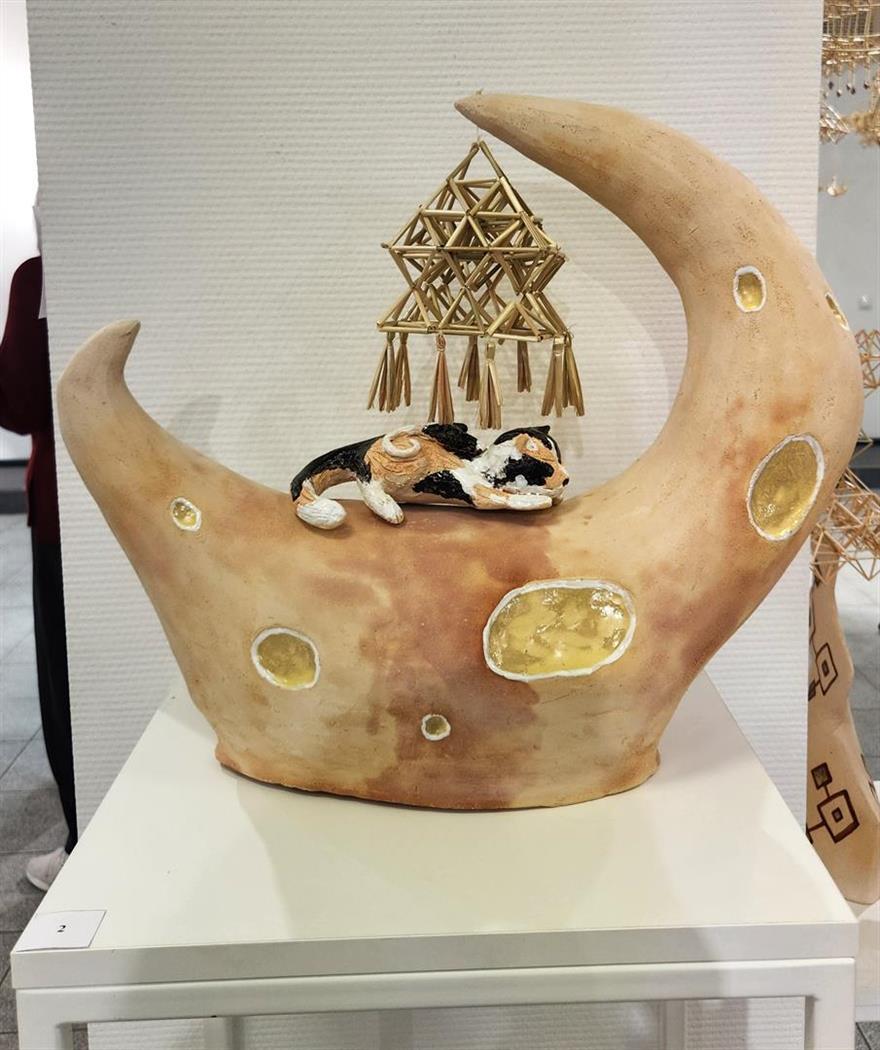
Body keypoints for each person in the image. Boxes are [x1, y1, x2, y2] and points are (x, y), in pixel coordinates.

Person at [0, 254, 76, 889]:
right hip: (162, 493)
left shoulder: (41, 275)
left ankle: (83, 838)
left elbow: (20, 404)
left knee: (67, 678)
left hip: (62, 500)